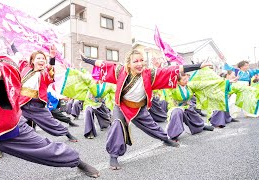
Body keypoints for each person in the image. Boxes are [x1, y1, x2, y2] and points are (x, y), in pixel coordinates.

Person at [0, 12, 99, 179]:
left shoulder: (5, 64)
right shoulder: (26, 69)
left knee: (50, 150)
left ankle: (76, 160)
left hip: (11, 127)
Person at [80, 49, 211, 170]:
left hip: (139, 108)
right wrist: (86, 60)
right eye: (135, 61)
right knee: (116, 126)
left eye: (142, 60)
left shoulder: (150, 74)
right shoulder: (120, 71)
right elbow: (102, 64)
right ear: (129, 63)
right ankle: (113, 156)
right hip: (122, 107)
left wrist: (199, 66)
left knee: (152, 126)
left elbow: (174, 69)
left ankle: (165, 139)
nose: (139, 63)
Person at [15, 47, 79, 142]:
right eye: (38, 58)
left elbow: (49, 68)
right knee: (12, 122)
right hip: (21, 104)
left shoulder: (44, 73)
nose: (41, 60)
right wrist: (12, 46)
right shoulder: (25, 68)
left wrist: (52, 57)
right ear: (32, 61)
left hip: (36, 106)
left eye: (43, 59)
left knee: (51, 122)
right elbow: (19, 55)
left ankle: (67, 134)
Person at [165, 73, 215, 141]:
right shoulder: (173, 87)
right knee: (177, 113)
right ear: (178, 81)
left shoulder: (189, 86)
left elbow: (200, 85)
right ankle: (172, 135)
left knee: (192, 112)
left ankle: (201, 125)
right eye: (184, 79)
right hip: (176, 107)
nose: (186, 80)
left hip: (187, 106)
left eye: (186, 78)